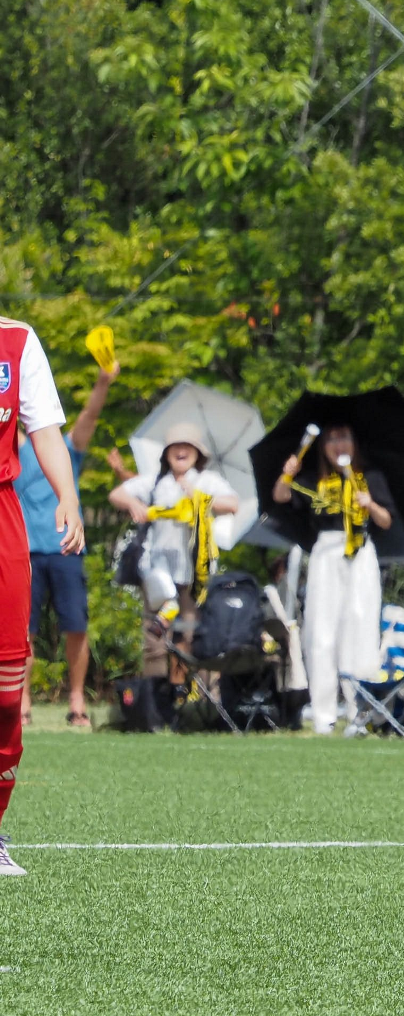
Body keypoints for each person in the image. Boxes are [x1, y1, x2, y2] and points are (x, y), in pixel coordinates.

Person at [0, 316, 85, 877]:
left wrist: (68, 496)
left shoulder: (18, 339)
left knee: (7, 688)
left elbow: (46, 429)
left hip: (2, 514)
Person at [15, 363, 118, 728]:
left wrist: (103, 381)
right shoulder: (17, 448)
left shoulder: (68, 449)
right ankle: (21, 702)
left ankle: (77, 701)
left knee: (76, 625)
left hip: (66, 549)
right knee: (22, 631)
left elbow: (90, 414)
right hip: (25, 552)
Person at [272, 425, 394, 735]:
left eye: (345, 437)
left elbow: (386, 521)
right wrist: (288, 473)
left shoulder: (371, 478)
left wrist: (371, 505)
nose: (339, 444)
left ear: (354, 443)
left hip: (361, 552)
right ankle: (323, 715)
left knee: (361, 627)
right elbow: (281, 496)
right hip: (326, 552)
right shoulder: (313, 479)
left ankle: (359, 713)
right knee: (321, 632)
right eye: (332, 439)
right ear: (323, 446)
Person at [110, 424, 239, 685]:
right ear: (167, 453)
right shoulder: (157, 481)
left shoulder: (207, 481)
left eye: (187, 446)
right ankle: (156, 698)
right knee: (155, 637)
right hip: (158, 573)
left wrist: (200, 498)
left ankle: (198, 697)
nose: (181, 451)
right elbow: (117, 494)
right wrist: (135, 504)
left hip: (194, 575)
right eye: (175, 447)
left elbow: (233, 504)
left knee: (193, 636)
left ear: (196, 453)